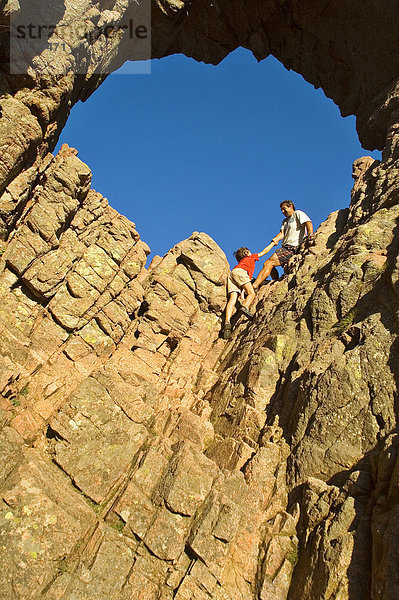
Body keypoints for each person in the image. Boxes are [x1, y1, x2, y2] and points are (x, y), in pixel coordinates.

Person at [221, 241, 277, 339]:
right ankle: (245, 307)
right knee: (252, 293)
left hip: (232, 274)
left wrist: (242, 296)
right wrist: (272, 244)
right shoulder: (250, 257)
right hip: (241, 273)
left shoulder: (240, 263)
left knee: (232, 300)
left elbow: (241, 284)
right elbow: (264, 252)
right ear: (247, 253)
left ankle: (227, 323)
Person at [253, 201, 313, 289]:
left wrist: (310, 234)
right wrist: (276, 239)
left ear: (291, 207)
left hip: (293, 247)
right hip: (285, 247)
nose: (283, 212)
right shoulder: (285, 221)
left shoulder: (297, 214)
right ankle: (275, 282)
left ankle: (254, 286)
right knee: (270, 265)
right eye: (281, 210)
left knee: (268, 263)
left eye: (284, 209)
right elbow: (282, 233)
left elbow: (308, 222)